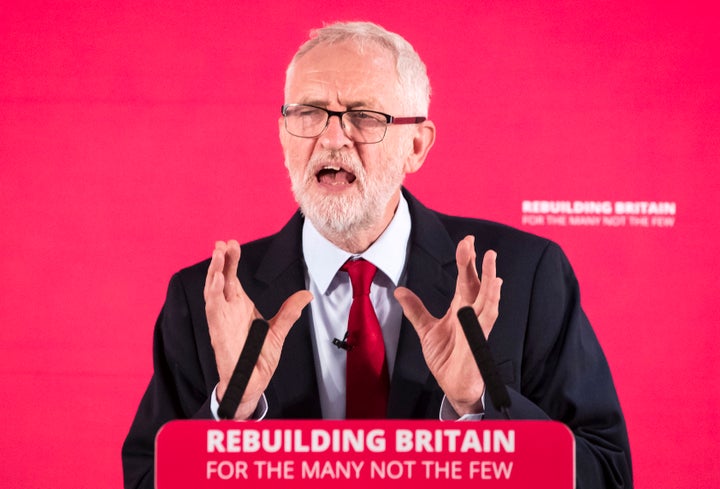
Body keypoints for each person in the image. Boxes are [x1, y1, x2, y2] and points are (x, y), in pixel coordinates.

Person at [122, 21, 632, 488]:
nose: (331, 137)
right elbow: (147, 480)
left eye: (363, 116)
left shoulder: (526, 276)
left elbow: (605, 474)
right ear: (283, 133)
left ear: (417, 145)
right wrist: (231, 412)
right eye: (309, 113)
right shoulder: (206, 298)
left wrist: (479, 409)